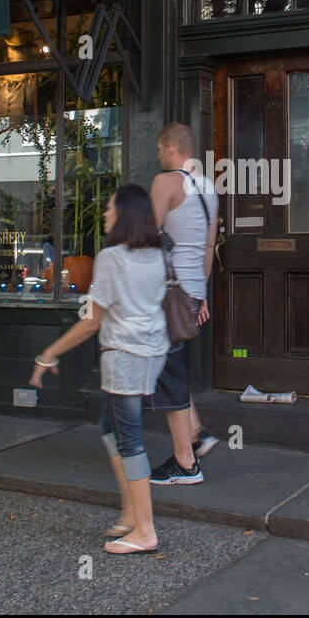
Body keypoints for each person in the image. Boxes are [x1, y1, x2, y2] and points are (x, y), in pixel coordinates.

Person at [29, 185, 168, 554]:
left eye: (109, 209)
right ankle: (129, 513)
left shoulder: (111, 258)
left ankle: (145, 530)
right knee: (111, 427)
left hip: (125, 357)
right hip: (151, 353)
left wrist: (49, 353)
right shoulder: (157, 256)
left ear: (123, 215)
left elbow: (91, 321)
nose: (105, 214)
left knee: (130, 439)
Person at [147, 123, 219, 485]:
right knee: (170, 364)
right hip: (189, 293)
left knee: (167, 373)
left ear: (172, 148)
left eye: (160, 150)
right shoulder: (208, 189)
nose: (158, 157)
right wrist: (201, 293)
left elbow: (146, 235)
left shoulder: (166, 183)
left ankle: (185, 463)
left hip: (165, 293)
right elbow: (208, 249)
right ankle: (196, 435)